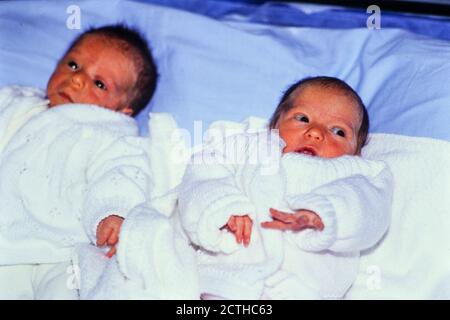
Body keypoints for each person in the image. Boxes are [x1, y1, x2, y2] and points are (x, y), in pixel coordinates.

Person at [178, 76, 394, 300]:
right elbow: (204, 171)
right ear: (274, 125)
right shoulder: (247, 148)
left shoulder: (357, 172)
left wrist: (327, 214)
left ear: (357, 151)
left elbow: (369, 209)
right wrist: (223, 206)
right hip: (232, 281)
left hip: (306, 289)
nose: (316, 132)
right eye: (302, 118)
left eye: (338, 131)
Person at [0, 24, 157, 299]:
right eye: (73, 65)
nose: (77, 80)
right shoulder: (14, 102)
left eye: (100, 83)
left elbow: (121, 174)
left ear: (122, 111)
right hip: (8, 244)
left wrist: (113, 212)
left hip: (66, 249)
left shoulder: (112, 134)